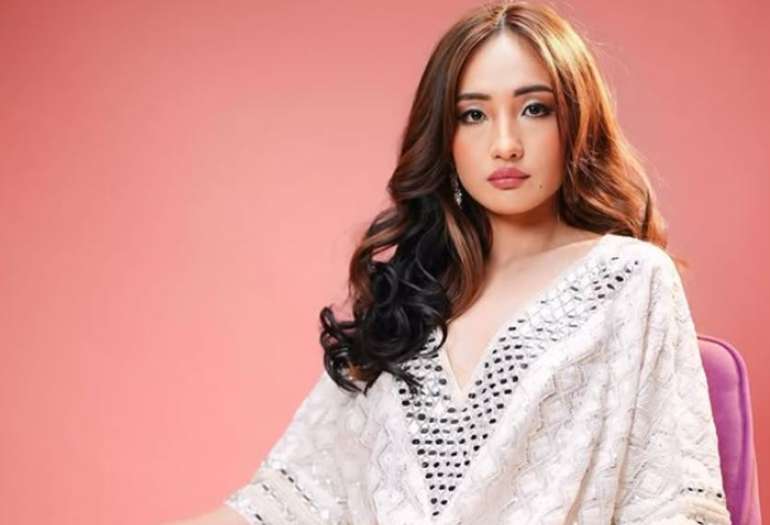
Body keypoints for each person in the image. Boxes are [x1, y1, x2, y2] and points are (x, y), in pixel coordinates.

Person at [166, 1, 731, 524]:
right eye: (473, 115)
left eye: (535, 109)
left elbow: (674, 504)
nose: (505, 143)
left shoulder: (628, 279)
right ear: (446, 136)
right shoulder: (410, 298)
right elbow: (285, 500)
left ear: (576, 123)